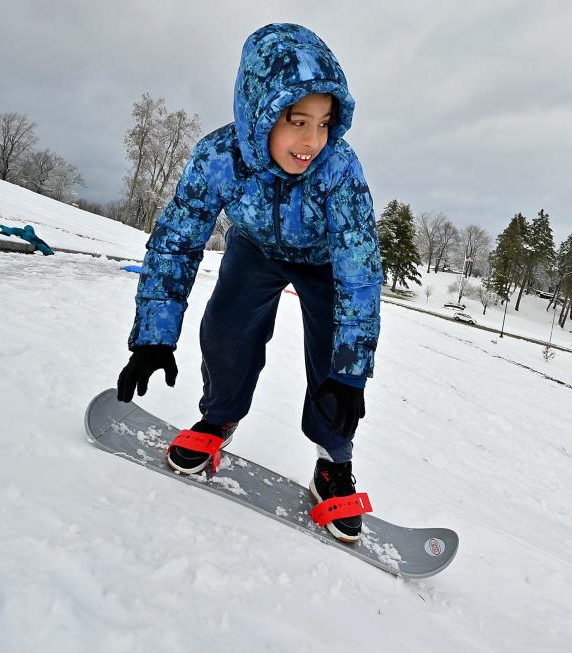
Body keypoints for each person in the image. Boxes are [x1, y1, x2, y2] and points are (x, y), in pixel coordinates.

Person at [116, 23, 382, 543]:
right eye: (297, 121)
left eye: (325, 123)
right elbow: (177, 240)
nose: (313, 141)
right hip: (254, 248)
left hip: (324, 263)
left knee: (333, 363)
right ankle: (218, 420)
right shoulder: (219, 157)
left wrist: (351, 370)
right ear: (260, 113)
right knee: (225, 331)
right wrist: (153, 336)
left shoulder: (340, 169)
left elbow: (360, 270)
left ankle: (332, 462)